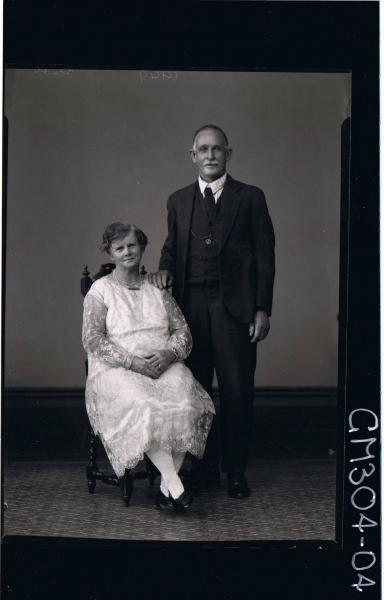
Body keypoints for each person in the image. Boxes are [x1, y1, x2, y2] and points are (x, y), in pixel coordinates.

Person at [149, 125, 275, 499]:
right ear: (192, 156)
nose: (210, 155)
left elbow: (266, 259)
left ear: (228, 154)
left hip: (234, 310)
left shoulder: (250, 198)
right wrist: (164, 269)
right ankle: (204, 470)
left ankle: (235, 472)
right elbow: (171, 250)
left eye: (217, 149)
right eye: (202, 149)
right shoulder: (178, 200)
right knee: (195, 393)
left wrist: (262, 309)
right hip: (190, 310)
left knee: (237, 392)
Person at [82, 222, 215, 512]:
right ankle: (175, 486)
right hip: (118, 368)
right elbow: (92, 340)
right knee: (145, 405)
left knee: (188, 401)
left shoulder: (158, 288)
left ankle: (169, 488)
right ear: (111, 252)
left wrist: (168, 354)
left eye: (132, 245)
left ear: (142, 247)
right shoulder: (101, 290)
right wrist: (132, 362)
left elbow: (183, 333)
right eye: (119, 248)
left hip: (162, 363)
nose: (127, 252)